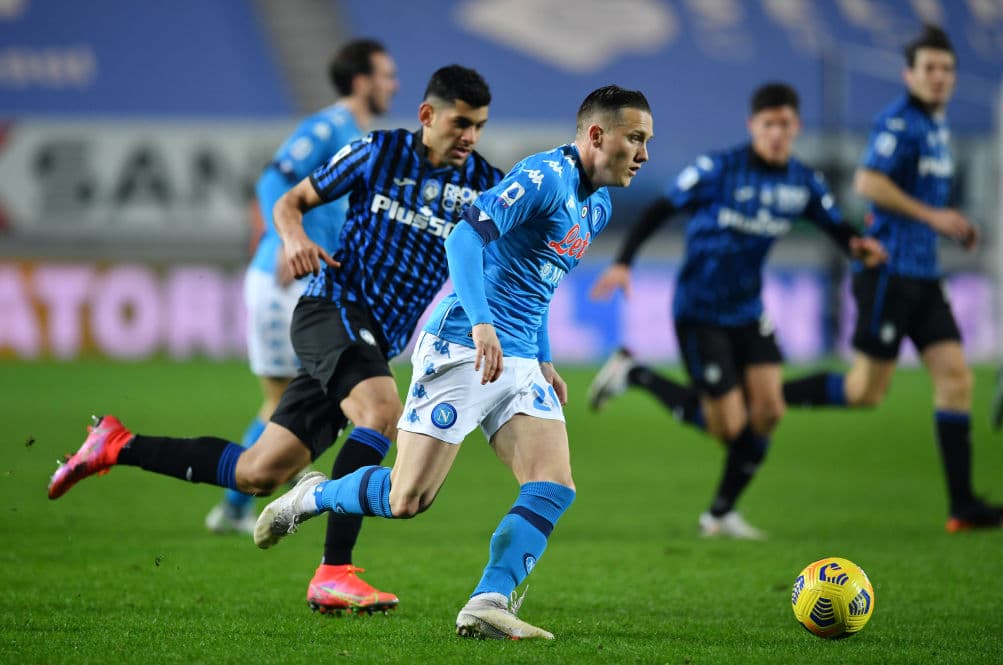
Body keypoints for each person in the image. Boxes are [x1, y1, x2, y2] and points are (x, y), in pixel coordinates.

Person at [47, 65, 504, 614]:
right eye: (460, 123)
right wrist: (292, 239)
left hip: (373, 342)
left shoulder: (483, 184)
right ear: (428, 115)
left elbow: (503, 262)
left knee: (259, 472)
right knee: (381, 412)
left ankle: (116, 445)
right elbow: (290, 201)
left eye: (478, 126)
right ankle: (334, 572)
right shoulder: (376, 153)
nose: (470, 137)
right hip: (330, 308)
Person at [251, 85, 654, 640]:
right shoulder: (544, 178)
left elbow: (540, 283)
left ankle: (488, 601)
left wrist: (544, 358)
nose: (644, 153)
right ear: (595, 134)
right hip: (464, 345)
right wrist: (483, 323)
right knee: (407, 498)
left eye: (647, 141)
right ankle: (312, 495)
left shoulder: (598, 203)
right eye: (635, 138)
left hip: (517, 360)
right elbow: (464, 237)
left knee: (553, 484)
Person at [587, 82, 887, 539]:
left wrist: (856, 247)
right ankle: (636, 373)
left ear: (796, 127)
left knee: (768, 411)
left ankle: (720, 515)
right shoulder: (719, 169)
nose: (776, 133)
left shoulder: (802, 182)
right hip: (700, 309)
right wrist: (625, 262)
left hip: (748, 310)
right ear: (753, 126)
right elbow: (660, 208)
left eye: (785, 124)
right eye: (768, 124)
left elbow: (834, 225)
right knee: (728, 428)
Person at [777, 25, 1003, 532]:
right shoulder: (900, 122)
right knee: (866, 391)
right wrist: (936, 218)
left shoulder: (936, 127)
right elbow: (868, 182)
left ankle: (963, 506)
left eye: (947, 69)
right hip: (888, 273)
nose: (939, 77)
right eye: (929, 68)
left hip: (925, 277)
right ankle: (770, 395)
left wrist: (945, 222)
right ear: (910, 74)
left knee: (956, 379)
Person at [206, 39, 396, 538]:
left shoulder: (357, 134)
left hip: (312, 278)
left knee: (294, 403)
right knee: (305, 401)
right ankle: (244, 500)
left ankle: (238, 503)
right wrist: (290, 240)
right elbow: (274, 180)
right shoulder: (328, 127)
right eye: (385, 76)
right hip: (286, 276)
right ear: (361, 81)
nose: (392, 85)